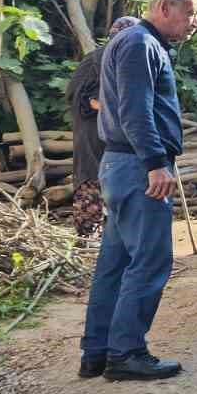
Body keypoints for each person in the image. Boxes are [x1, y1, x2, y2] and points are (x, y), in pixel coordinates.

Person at [80, 0, 197, 382]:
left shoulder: (137, 42)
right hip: (136, 167)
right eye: (189, 13)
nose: (194, 22)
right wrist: (155, 163)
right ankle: (126, 351)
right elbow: (136, 110)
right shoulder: (140, 44)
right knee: (150, 259)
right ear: (165, 8)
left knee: (114, 263)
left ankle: (97, 351)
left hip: (122, 165)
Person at [67, 16, 141, 238]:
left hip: (119, 133)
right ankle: (88, 239)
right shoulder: (96, 61)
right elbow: (89, 100)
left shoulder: (130, 60)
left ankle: (116, 237)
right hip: (93, 131)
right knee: (92, 182)